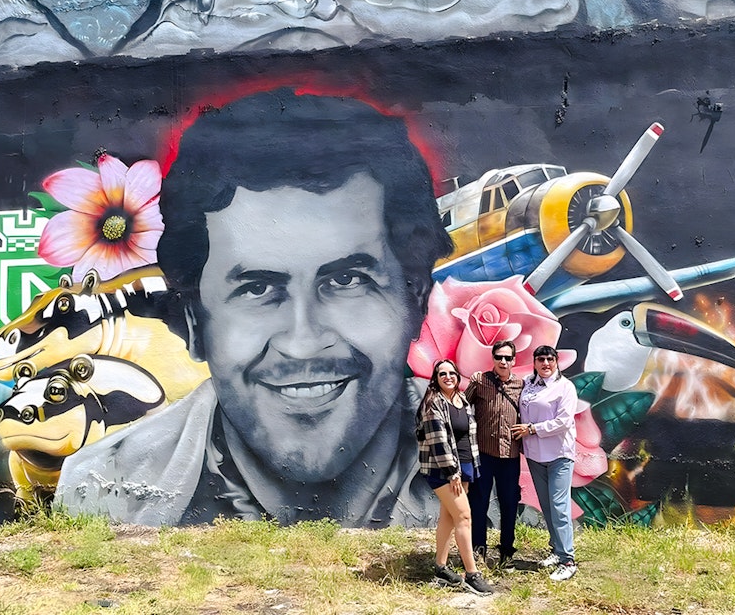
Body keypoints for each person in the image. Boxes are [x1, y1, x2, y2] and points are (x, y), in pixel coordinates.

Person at [55, 88, 453, 527]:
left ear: (417, 299)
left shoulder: (503, 483)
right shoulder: (102, 492)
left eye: (346, 281)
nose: (302, 343)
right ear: (194, 322)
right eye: (257, 289)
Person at [416, 360, 494, 596]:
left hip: (465, 465)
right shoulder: (433, 404)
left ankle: (440, 567)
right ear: (436, 378)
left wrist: (465, 469)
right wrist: (452, 473)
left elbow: (467, 437)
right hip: (444, 469)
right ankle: (471, 574)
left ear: (458, 376)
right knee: (464, 516)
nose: (448, 377)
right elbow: (438, 442)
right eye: (442, 374)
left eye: (452, 373)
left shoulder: (461, 400)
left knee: (449, 517)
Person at [512, 344, 579, 581]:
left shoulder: (565, 387)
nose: (546, 364)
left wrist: (532, 429)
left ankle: (568, 560)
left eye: (550, 359)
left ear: (557, 361)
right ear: (535, 362)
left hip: (559, 454)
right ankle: (556, 549)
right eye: (541, 359)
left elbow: (563, 421)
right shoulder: (528, 384)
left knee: (560, 507)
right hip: (535, 455)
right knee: (547, 506)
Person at [465, 339, 524, 567]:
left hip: (509, 456)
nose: (503, 361)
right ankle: (478, 549)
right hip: (484, 454)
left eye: (507, 357)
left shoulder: (521, 385)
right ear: (493, 358)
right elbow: (462, 405)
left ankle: (506, 550)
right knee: (479, 503)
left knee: (509, 503)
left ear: (514, 360)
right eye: (499, 356)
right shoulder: (480, 381)